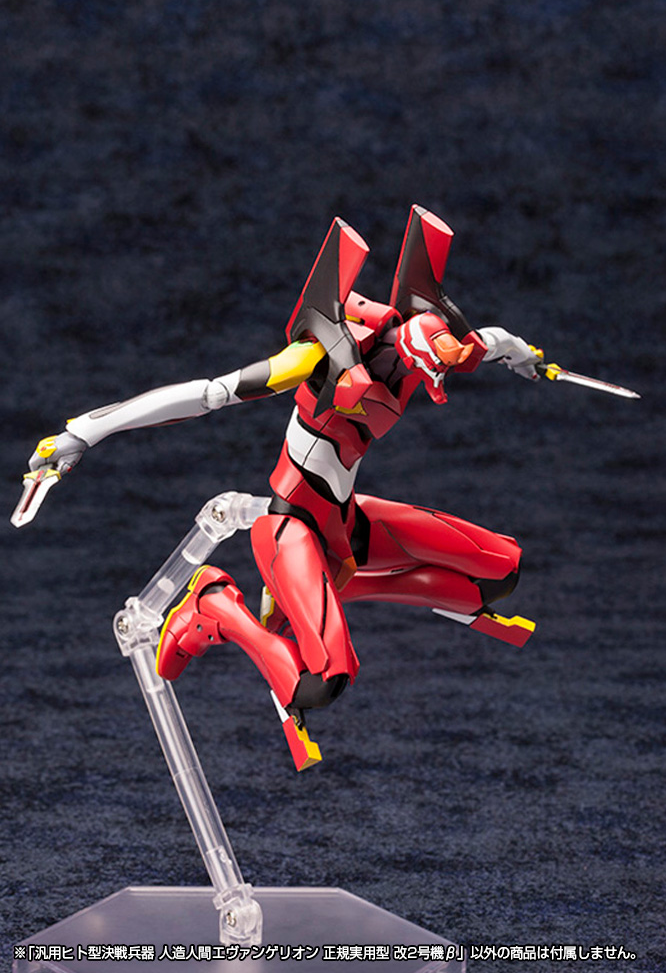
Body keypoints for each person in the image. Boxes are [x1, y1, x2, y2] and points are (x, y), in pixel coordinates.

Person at [27, 206, 542, 769]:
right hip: (290, 528)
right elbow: (208, 393)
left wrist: (529, 359)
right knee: (323, 682)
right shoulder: (319, 357)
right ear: (408, 348)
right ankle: (216, 606)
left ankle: (341, 593)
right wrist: (84, 432)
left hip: (347, 522)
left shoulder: (425, 349)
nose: (432, 380)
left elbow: (492, 341)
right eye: (432, 367)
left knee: (502, 569)